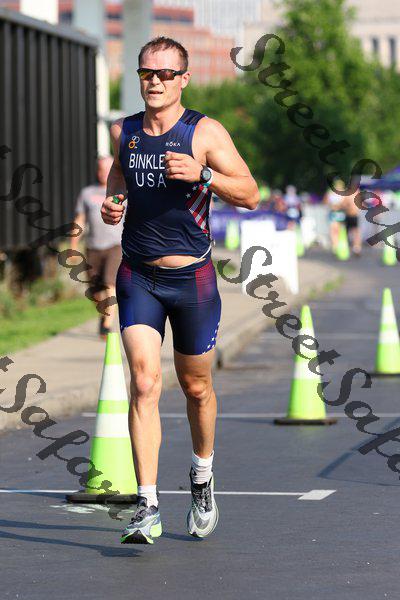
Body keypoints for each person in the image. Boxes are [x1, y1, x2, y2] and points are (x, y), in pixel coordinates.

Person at [101, 36, 259, 544]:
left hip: (192, 279)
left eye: (165, 74)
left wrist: (204, 174)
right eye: (146, 72)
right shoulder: (124, 131)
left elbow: (251, 193)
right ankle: (147, 505)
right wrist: (113, 204)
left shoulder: (204, 132)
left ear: (183, 80)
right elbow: (118, 179)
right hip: (138, 276)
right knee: (144, 383)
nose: (155, 81)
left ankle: (202, 475)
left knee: (196, 388)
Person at [71, 156, 124, 339]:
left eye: (108, 169)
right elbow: (80, 220)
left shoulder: (122, 192)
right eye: (101, 169)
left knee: (110, 283)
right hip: (93, 247)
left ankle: (106, 326)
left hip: (116, 246)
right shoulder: (87, 193)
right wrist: (73, 245)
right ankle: (104, 314)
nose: (104, 173)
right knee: (95, 291)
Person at [323, 180, 346, 251]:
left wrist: (338, 206)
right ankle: (335, 245)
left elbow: (345, 204)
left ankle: (337, 244)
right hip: (333, 212)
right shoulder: (330, 193)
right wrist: (332, 205)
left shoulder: (344, 194)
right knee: (333, 229)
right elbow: (325, 202)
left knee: (338, 229)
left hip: (340, 212)